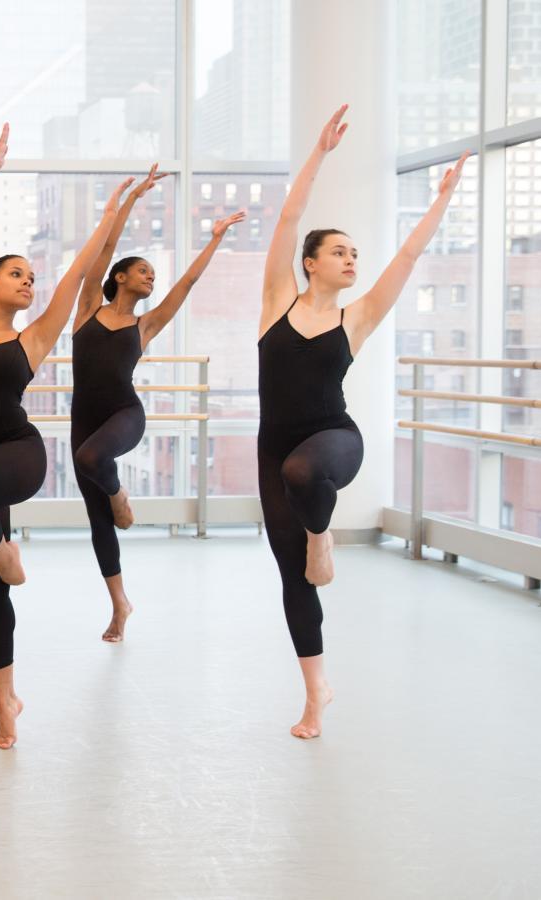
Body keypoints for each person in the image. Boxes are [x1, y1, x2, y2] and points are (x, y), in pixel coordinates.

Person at [258, 104, 469, 738]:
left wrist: (441, 202)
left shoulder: (359, 318)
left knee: (307, 473)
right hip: (275, 452)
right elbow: (290, 217)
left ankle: (323, 533)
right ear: (310, 263)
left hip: (334, 443)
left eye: (355, 254)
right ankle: (316, 694)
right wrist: (318, 154)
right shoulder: (274, 301)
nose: (353, 261)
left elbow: (407, 256)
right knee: (293, 578)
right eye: (341, 253)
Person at [0, 124, 129, 749]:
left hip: (18, 457)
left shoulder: (33, 338)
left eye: (30, 277)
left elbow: (77, 276)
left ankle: (6, 553)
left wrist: (108, 218)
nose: (28, 281)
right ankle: (6, 703)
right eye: (16, 274)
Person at [71, 164, 244, 642]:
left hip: (125, 415)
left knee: (91, 461)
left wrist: (214, 239)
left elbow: (184, 287)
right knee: (96, 517)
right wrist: (130, 200)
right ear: (120, 277)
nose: (151, 278)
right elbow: (103, 249)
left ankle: (120, 495)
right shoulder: (87, 309)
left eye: (153, 275)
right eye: (143, 271)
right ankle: (119, 604)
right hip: (83, 419)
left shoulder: (143, 326)